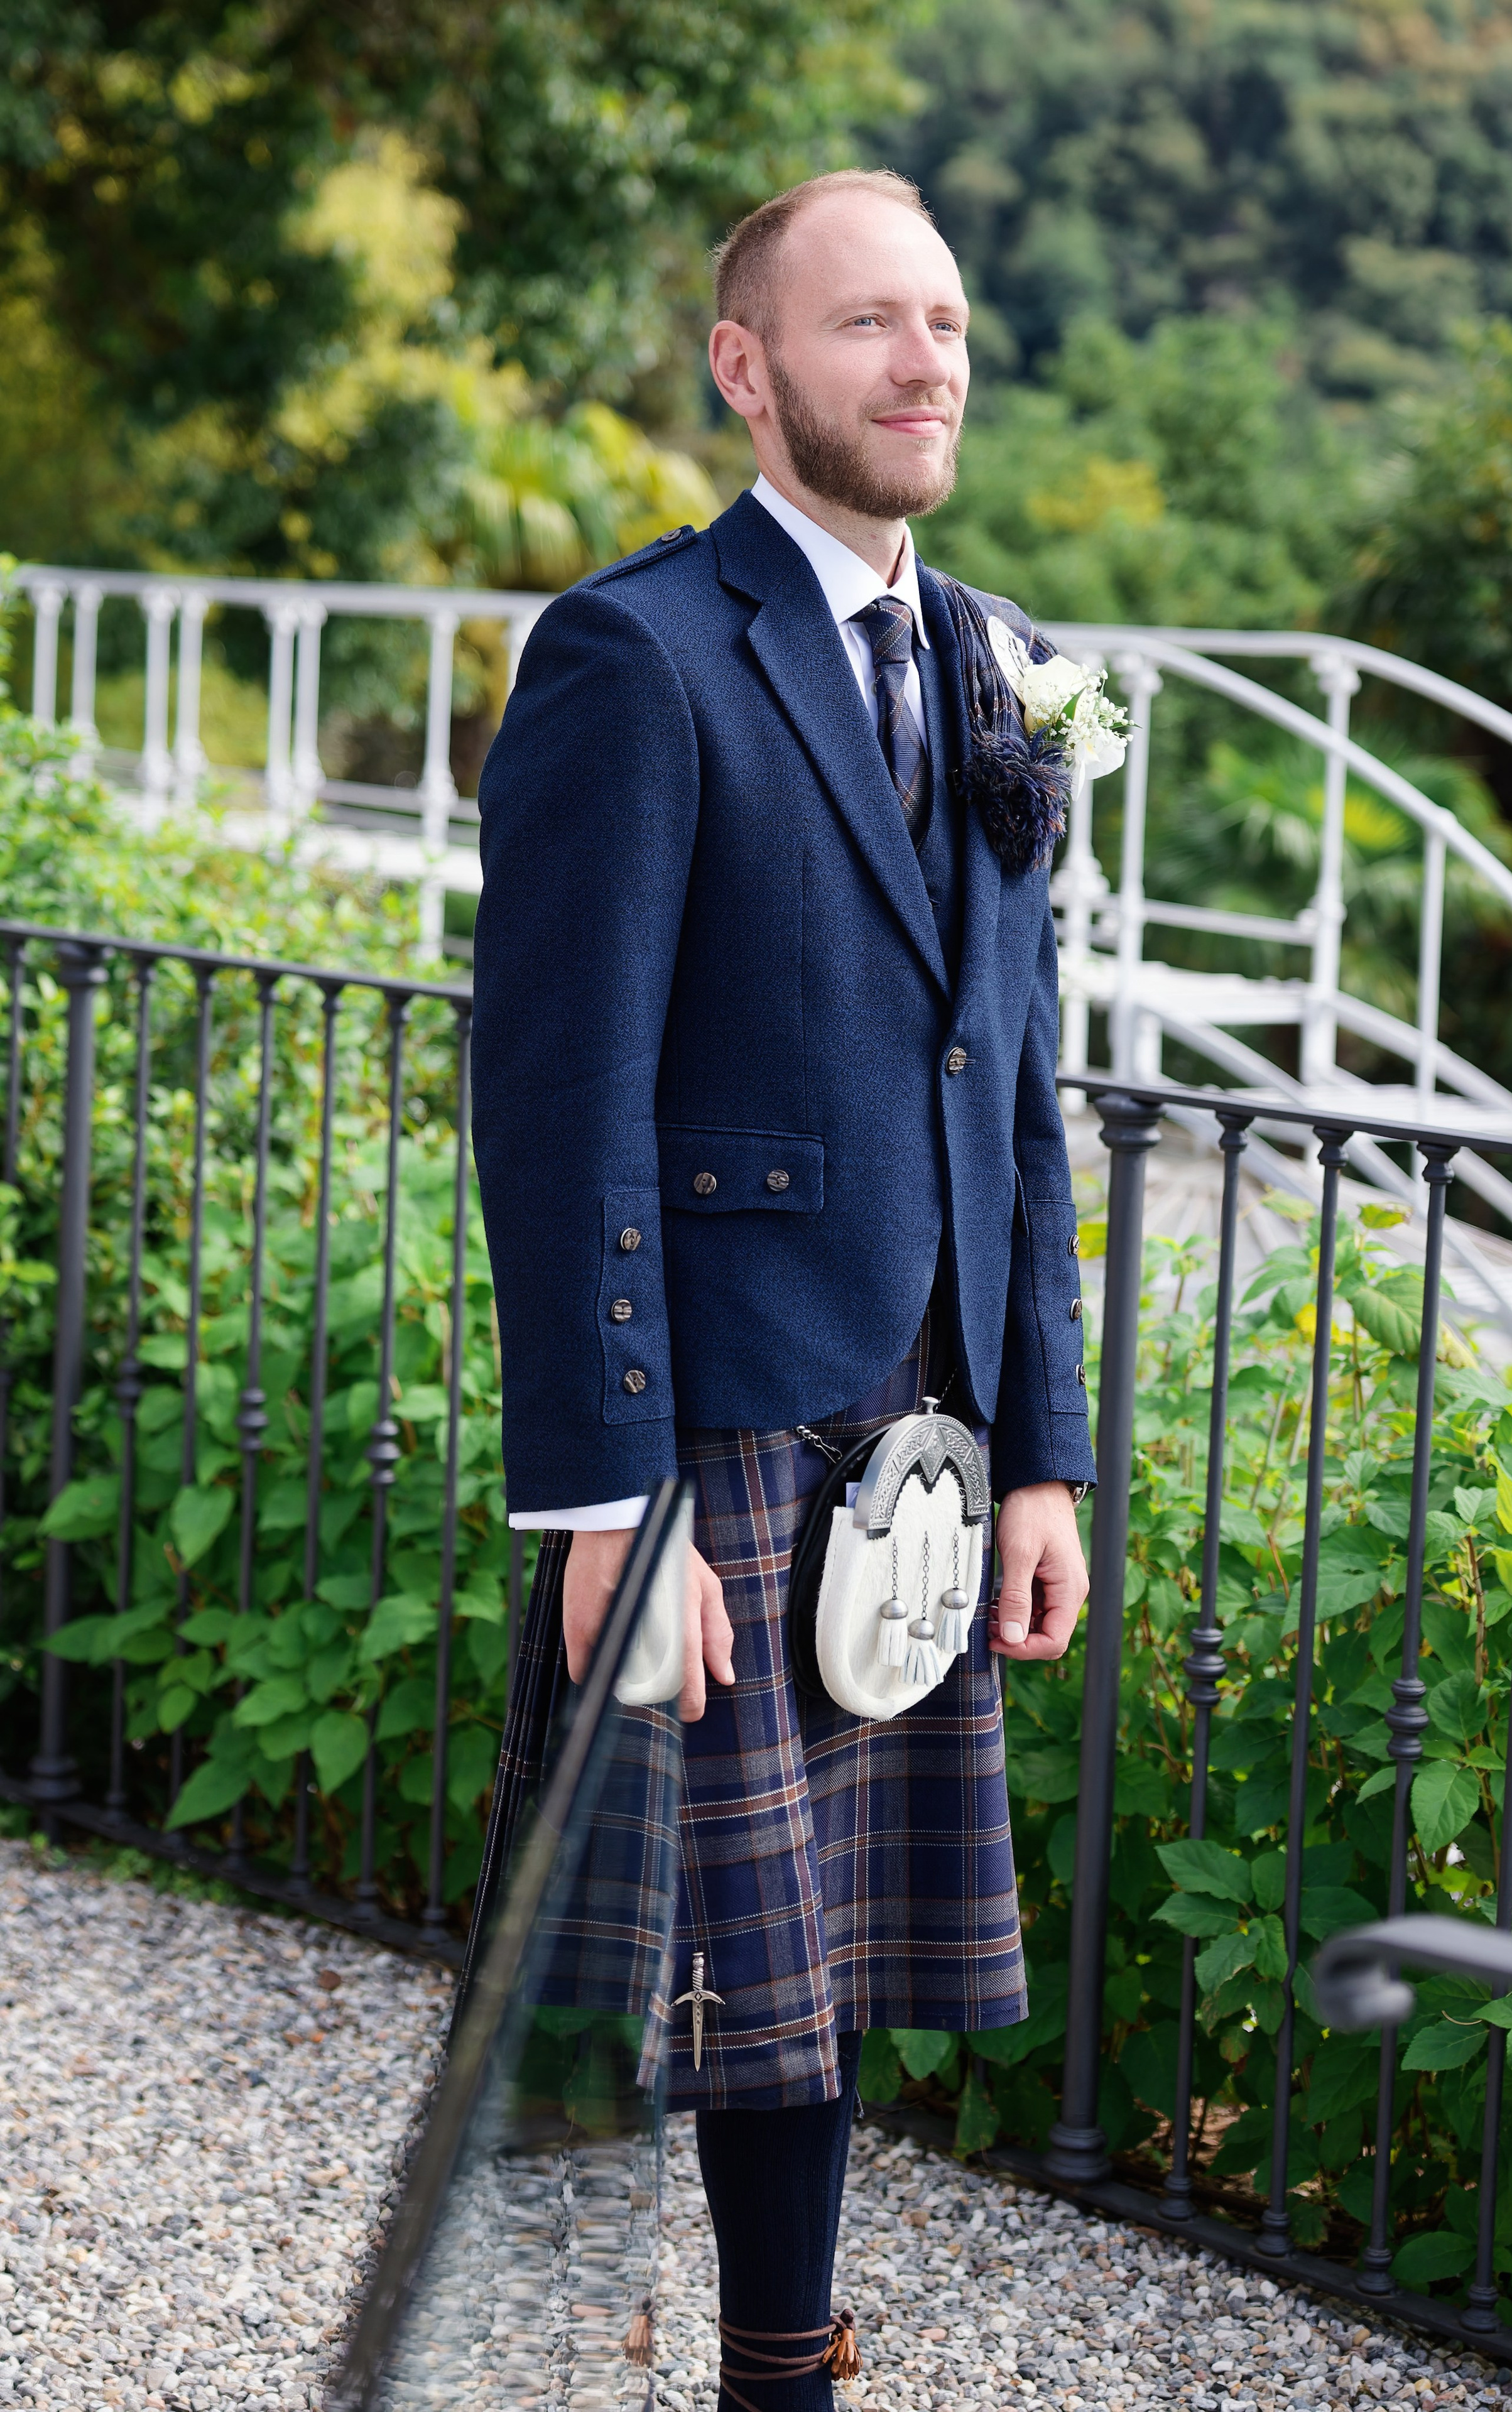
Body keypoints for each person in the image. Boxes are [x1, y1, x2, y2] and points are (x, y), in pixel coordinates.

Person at [470, 166, 1094, 2412]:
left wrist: (1047, 1456)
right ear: (749, 368)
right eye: (868, 327)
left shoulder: (1006, 663)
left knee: (811, 1976)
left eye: (945, 324)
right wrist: (606, 1504)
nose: (927, 364)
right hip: (716, 1418)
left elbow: (1020, 1097)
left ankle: (773, 2378)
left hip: (921, 1430)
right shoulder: (637, 658)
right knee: (653, 1971)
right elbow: (560, 1103)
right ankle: (497, 2351)